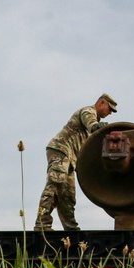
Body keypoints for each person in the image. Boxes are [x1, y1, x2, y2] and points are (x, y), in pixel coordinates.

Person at [34, 93, 117, 231]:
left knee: (68, 195)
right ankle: (42, 224)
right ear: (102, 103)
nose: (110, 113)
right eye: (110, 109)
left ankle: (71, 228)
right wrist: (96, 126)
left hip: (71, 159)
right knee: (55, 185)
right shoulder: (88, 111)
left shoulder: (91, 124)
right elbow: (90, 122)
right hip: (60, 150)